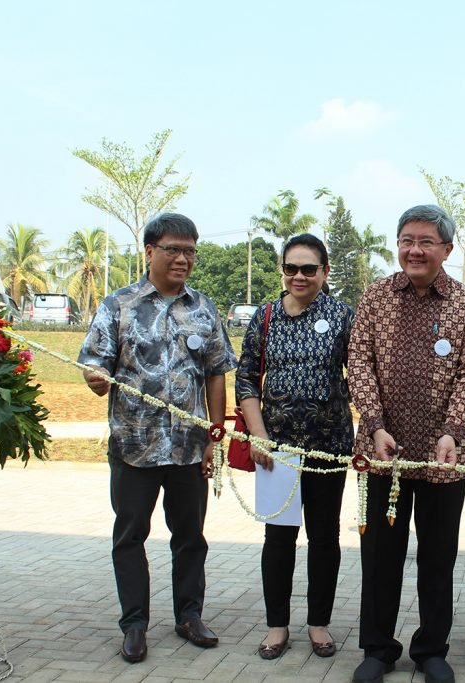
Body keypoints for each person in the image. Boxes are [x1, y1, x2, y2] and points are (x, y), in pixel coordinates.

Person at [78, 213, 235, 663]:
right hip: (134, 446)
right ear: (150, 251)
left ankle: (189, 616)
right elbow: (95, 364)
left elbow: (216, 372)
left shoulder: (204, 308)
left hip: (188, 447)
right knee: (130, 537)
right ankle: (134, 625)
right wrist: (96, 377)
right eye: (173, 249)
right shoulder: (118, 305)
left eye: (190, 251)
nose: (183, 259)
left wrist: (214, 435)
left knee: (190, 537)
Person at [348, 204, 465, 683]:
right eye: (407, 240)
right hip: (381, 451)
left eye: (425, 241)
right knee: (379, 555)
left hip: (445, 454)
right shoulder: (376, 296)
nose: (414, 249)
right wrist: (374, 424)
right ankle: (378, 648)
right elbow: (359, 361)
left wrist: (453, 430)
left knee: (438, 556)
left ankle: (431, 649)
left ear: (446, 249)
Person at [236, 233, 354, 660]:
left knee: (324, 537)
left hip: (328, 446)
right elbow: (246, 377)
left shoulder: (342, 315)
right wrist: (258, 434)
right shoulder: (265, 315)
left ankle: (319, 623)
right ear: (282, 271)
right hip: (277, 449)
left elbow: (362, 374)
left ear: (324, 271)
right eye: (291, 268)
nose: (299, 276)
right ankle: (277, 625)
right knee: (279, 538)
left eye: (308, 269)